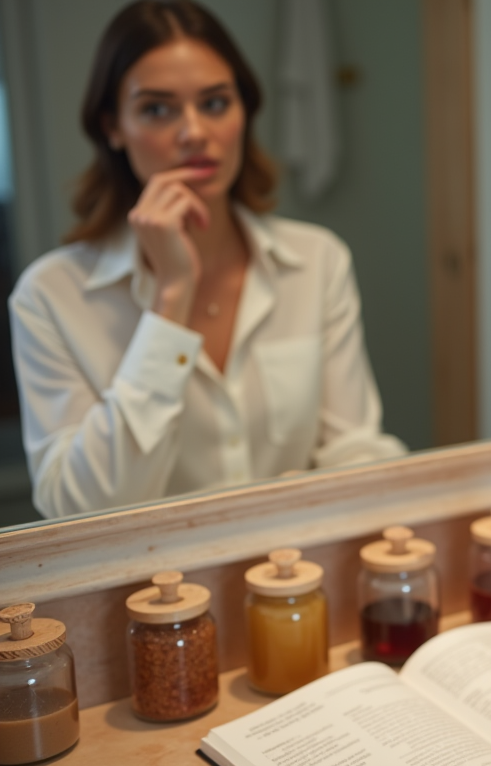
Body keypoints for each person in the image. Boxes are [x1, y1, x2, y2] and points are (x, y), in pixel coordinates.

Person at [9, 0, 405, 519]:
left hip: (293, 581)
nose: (194, 132)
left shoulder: (316, 262)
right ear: (113, 126)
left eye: (216, 103)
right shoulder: (51, 297)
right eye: (157, 109)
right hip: (145, 595)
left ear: (244, 112)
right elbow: (77, 511)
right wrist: (171, 301)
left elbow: (354, 449)